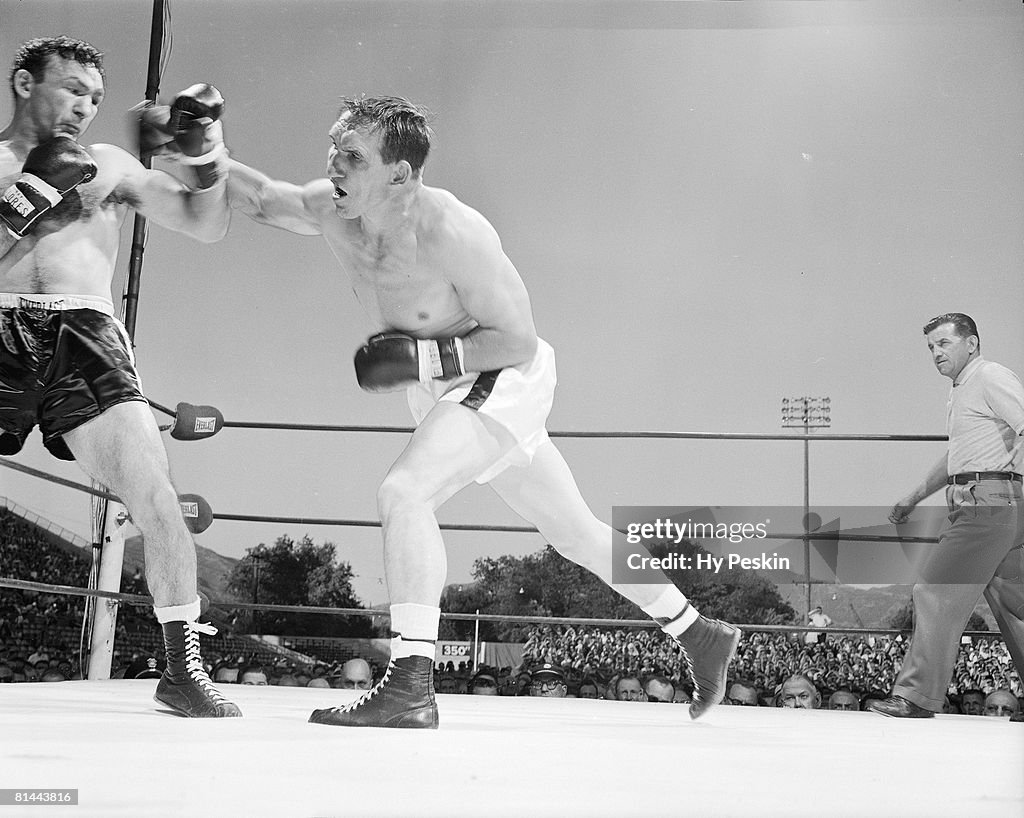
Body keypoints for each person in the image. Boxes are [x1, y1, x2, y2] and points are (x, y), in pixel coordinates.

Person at [225, 95, 740, 729]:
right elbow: (259, 197)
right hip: (451, 388)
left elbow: (517, 338)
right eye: (334, 146)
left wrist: (419, 360)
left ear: (400, 174)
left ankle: (409, 684)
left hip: (498, 373)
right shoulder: (337, 209)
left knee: (404, 493)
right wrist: (200, 149)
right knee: (574, 532)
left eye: (352, 156)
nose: (334, 163)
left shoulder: (452, 232)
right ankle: (699, 634)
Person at [0, 36, 239, 717]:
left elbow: (203, 221)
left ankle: (182, 669)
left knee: (154, 491)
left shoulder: (108, 165)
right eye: (74, 89)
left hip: (86, 333)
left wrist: (205, 153)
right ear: (25, 82)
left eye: (97, 98)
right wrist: (31, 195)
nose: (86, 107)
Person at [870, 314, 1024, 719]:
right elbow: (959, 458)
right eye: (931, 348)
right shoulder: (964, 389)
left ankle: (917, 697)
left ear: (971, 344)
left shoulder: (989, 377)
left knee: (934, 591)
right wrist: (915, 495)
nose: (936, 354)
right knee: (1013, 603)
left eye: (944, 344)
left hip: (987, 504)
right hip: (993, 501)